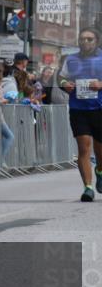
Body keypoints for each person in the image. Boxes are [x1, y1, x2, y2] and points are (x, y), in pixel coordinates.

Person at [57, 27, 102, 202]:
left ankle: (99, 170)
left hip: (99, 109)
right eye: (82, 39)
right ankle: (88, 188)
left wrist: (101, 84)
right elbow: (60, 77)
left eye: (89, 39)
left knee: (100, 151)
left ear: (96, 41)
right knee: (83, 148)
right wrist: (64, 84)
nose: (85, 42)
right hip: (78, 109)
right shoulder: (71, 59)